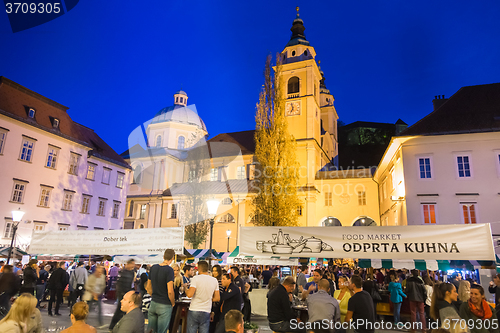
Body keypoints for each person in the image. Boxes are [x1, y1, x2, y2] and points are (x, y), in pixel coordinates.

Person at [185, 260, 220, 333]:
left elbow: (189, 294)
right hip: (206, 310)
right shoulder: (214, 280)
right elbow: (217, 298)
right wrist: (208, 299)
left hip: (194, 309)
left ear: (199, 269)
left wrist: (185, 288)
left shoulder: (196, 279)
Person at [146, 249, 175, 333]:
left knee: (151, 330)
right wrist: (172, 302)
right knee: (162, 331)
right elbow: (170, 291)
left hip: (153, 302)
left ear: (163, 256)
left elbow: (148, 287)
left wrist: (153, 295)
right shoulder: (169, 270)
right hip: (165, 304)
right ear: (172, 258)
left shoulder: (153, 267)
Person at [109, 259, 136, 330]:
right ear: (128, 263)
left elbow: (131, 283)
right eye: (132, 263)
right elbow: (119, 284)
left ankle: (120, 326)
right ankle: (112, 326)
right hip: (122, 294)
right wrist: (120, 293)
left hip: (128, 294)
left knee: (124, 311)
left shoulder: (132, 272)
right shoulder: (123, 272)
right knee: (119, 311)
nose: (133, 265)